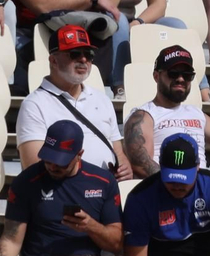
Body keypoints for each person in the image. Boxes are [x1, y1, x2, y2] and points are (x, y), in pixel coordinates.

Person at [0, 118, 125, 256]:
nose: (52, 166)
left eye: (61, 162)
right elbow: (11, 239)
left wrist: (90, 226)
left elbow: (116, 243)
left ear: (79, 154)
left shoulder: (103, 181)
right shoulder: (27, 182)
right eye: (49, 159)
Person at [16, 24, 130, 177]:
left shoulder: (102, 99)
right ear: (53, 60)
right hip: (63, 189)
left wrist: (124, 168)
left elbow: (118, 151)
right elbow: (34, 166)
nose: (83, 59)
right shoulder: (34, 104)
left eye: (89, 54)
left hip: (107, 186)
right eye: (74, 54)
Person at [124, 45, 210, 177]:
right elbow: (141, 164)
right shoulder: (145, 115)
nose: (181, 79)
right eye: (173, 73)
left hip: (202, 183)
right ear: (156, 76)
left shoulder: (195, 113)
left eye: (187, 75)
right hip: (168, 184)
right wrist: (176, 180)